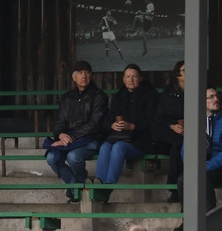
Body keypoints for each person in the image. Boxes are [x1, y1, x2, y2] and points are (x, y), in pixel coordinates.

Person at [173, 87, 222, 231]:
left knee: (202, 177)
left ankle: (209, 220)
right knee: (183, 179)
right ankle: (187, 221)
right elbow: (185, 149)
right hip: (199, 167)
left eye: (216, 96)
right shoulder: (195, 121)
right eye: (211, 97)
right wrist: (192, 166)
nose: (216, 99)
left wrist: (205, 167)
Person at [93, 64, 158, 203]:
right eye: (128, 77)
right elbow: (107, 121)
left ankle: (109, 185)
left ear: (140, 78)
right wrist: (113, 125)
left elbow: (153, 122)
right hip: (119, 137)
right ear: (123, 79)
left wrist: (133, 126)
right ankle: (99, 183)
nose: (131, 80)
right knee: (105, 146)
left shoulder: (150, 94)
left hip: (140, 141)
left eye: (134, 76)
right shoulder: (119, 96)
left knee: (118, 147)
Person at [46, 61, 107, 204]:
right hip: (68, 139)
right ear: (74, 77)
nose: (84, 76)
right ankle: (77, 187)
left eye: (87, 72)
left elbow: (95, 124)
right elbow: (59, 122)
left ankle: (76, 190)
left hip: (90, 138)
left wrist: (71, 137)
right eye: (80, 73)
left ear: (91, 75)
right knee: (51, 157)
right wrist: (61, 135)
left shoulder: (99, 96)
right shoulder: (66, 97)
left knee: (73, 157)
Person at [151, 61, 185, 202]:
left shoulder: (203, 88)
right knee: (157, 128)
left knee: (176, 149)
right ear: (178, 76)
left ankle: (175, 189)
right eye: (185, 70)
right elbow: (159, 117)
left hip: (191, 132)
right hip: (169, 131)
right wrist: (172, 126)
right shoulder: (169, 92)